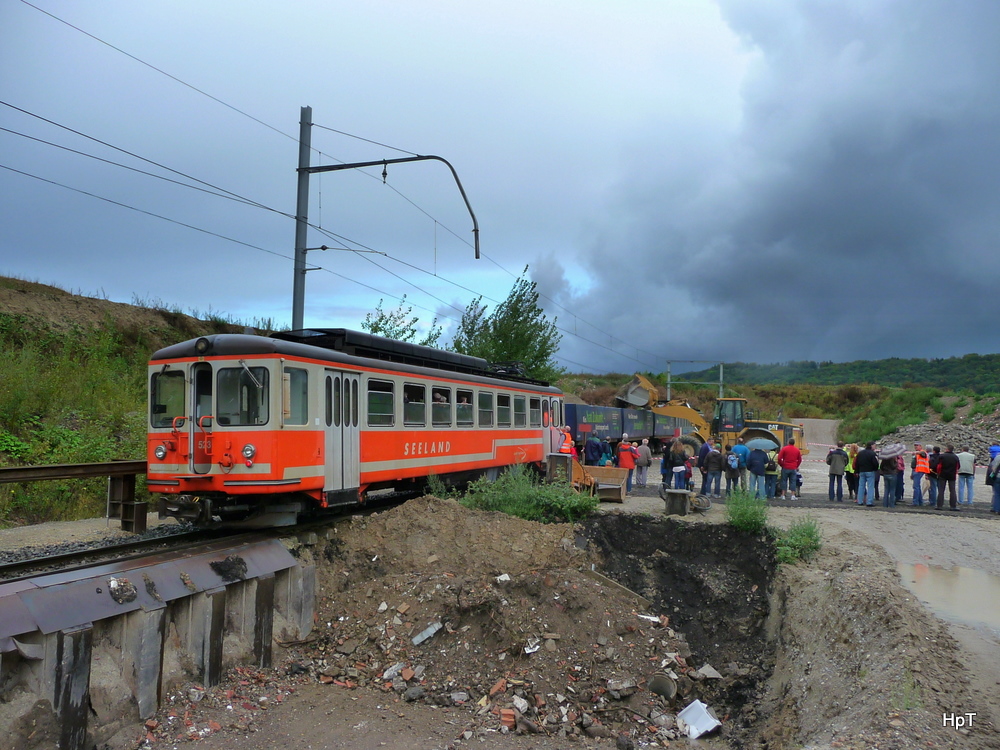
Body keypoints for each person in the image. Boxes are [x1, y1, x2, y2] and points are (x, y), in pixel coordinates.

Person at [854, 442, 879, 506]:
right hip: (870, 471)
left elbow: (857, 463)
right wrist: (875, 469)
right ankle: (869, 502)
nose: (875, 447)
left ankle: (860, 501)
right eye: (874, 445)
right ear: (871, 446)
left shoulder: (860, 453)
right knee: (870, 487)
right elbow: (876, 463)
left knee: (861, 486)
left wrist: (857, 471)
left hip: (862, 471)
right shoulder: (873, 454)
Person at [936, 444, 959, 510]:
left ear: (947, 449)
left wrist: (938, 473)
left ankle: (939, 505)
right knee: (952, 490)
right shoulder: (955, 457)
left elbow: (938, 465)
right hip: (952, 475)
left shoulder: (942, 456)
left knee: (941, 490)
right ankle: (953, 506)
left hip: (942, 474)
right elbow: (958, 466)